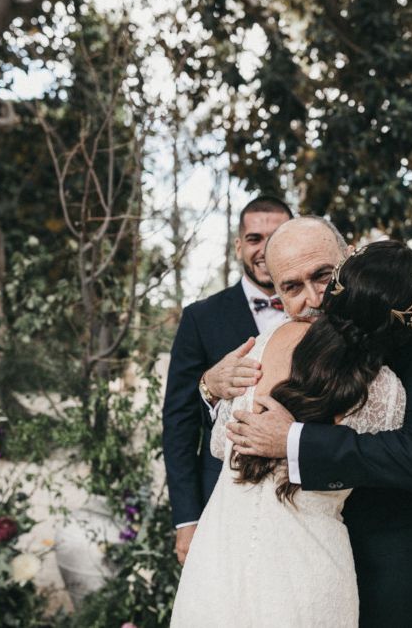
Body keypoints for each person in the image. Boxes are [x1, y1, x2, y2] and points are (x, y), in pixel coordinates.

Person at [171, 239, 412, 627]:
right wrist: (210, 386)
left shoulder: (409, 335)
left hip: (388, 568)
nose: (314, 297)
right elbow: (219, 439)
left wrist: (294, 442)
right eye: (292, 287)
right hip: (246, 559)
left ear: (347, 260)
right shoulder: (264, 344)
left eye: (323, 277)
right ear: (276, 293)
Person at [162, 195, 292, 564]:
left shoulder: (322, 312)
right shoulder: (201, 318)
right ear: (238, 246)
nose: (264, 249)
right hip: (225, 494)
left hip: (307, 495)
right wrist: (187, 518)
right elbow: (179, 422)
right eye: (254, 239)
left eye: (277, 236)